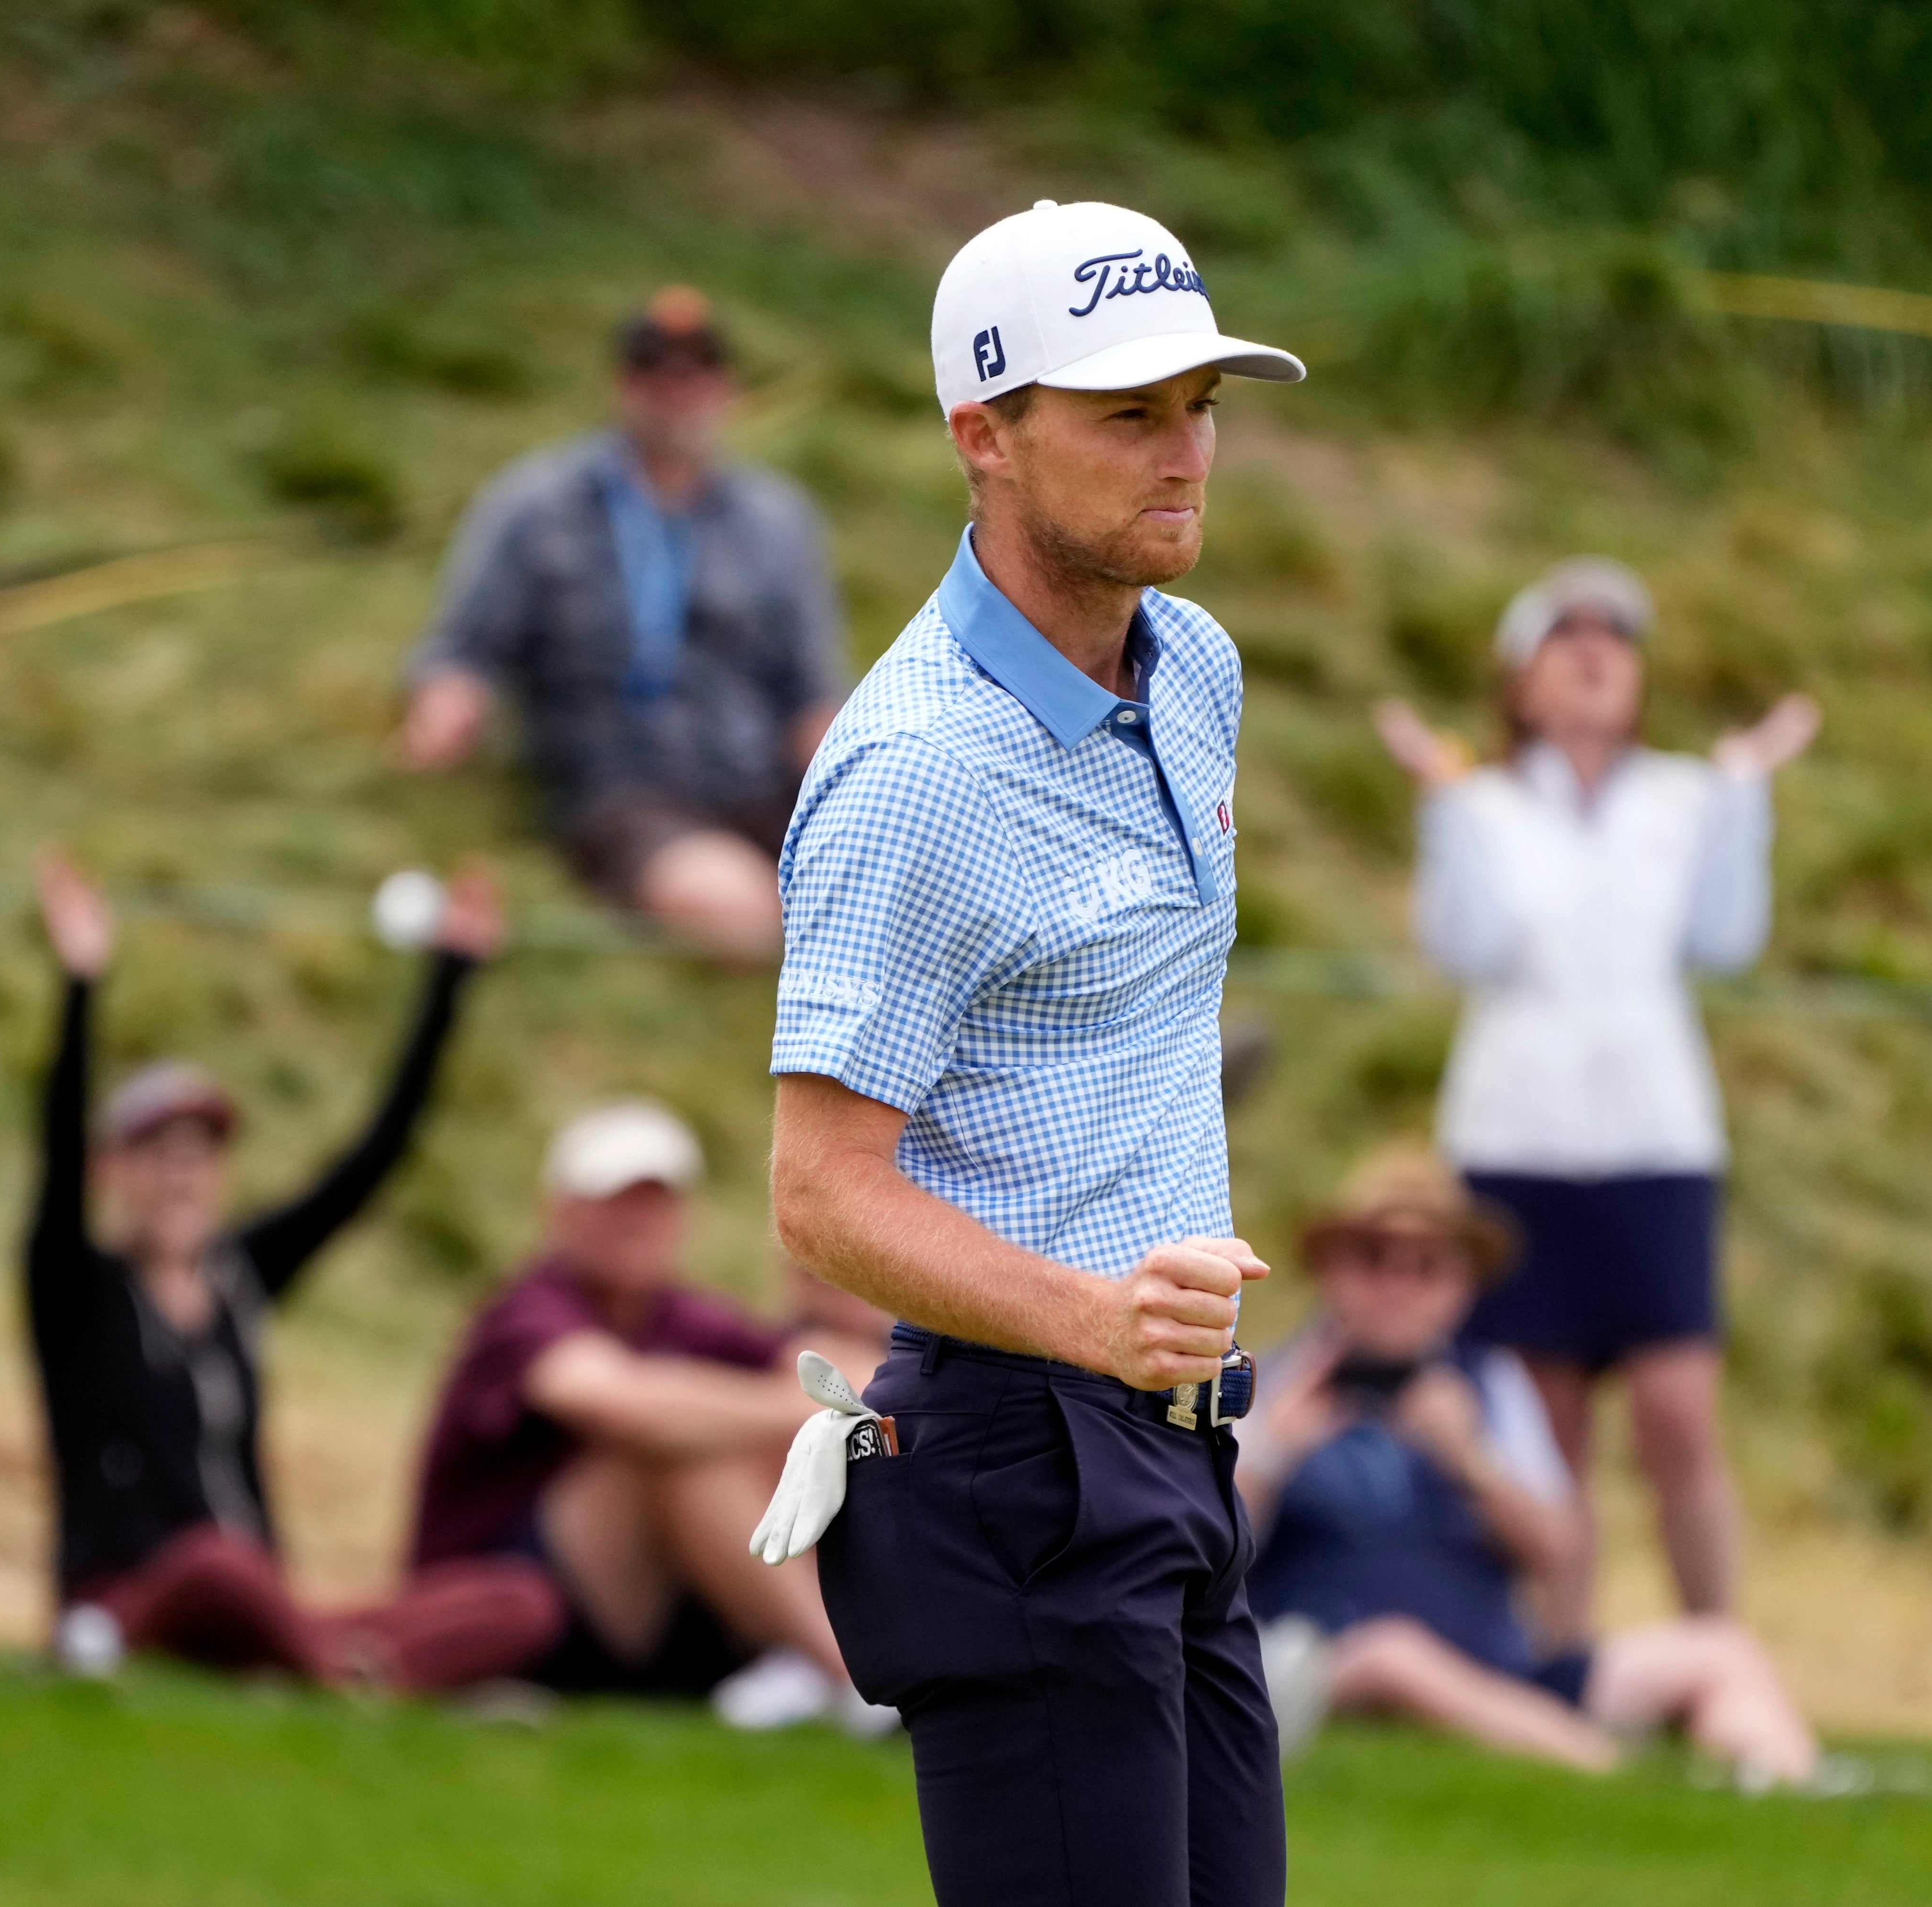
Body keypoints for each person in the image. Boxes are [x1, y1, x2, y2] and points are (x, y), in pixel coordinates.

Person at [764, 198, 1304, 1907]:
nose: (1183, 454)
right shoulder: (913, 770)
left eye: (1199, 406)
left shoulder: (1196, 665)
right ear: (982, 435)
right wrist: (1090, 1317)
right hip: (1016, 1465)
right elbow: (818, 1195)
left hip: (1174, 1446)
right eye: (1126, 413)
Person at [1371, 557, 1818, 1638]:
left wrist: (1747, 796)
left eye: (1613, 637)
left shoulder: (1686, 796)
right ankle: (1566, 1666)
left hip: (1657, 1142)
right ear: (1521, 679)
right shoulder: (1479, 800)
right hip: (1516, 1144)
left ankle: (1718, 1652)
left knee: (1679, 1418)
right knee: (1549, 1423)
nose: (1592, 652)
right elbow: (1469, 945)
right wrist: (1441, 806)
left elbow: (1725, 938)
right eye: (1565, 636)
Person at [27, 852, 558, 1692]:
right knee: (215, 1566)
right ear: (112, 1173)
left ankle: (324, 1668)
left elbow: (371, 1160)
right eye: (157, 1155)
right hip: (132, 1605)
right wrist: (82, 984)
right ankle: (344, 1678)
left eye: (200, 1157)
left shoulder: (240, 1278)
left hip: (265, 1610)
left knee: (521, 1600)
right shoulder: (76, 1292)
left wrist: (450, 978)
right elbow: (53, 1162)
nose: (180, 1176)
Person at [1237, 1148, 1825, 1788]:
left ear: (1462, 1285)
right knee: (1395, 1654)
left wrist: (1471, 1459)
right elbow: (1207, 1549)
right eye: (1374, 1258)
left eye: (1427, 1266)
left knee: (1719, 1650)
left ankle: (1790, 1785)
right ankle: (1619, 1777)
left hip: (1497, 1659)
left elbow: (1557, 1551)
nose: (1398, 1286)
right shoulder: (1268, 1381)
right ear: (1331, 1269)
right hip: (1332, 1657)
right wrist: (1276, 1448)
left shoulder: (1491, 1385)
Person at [399, 286, 847, 960]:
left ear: (726, 388)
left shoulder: (777, 520)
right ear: (622, 384)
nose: (676, 390)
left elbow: (811, 692)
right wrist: (445, 708)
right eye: (655, 371)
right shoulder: (537, 505)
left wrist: (854, 788)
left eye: (696, 372)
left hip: (757, 778)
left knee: (907, 870)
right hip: (622, 790)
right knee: (732, 910)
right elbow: (463, 649)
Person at [406, 1101, 883, 1733]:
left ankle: (835, 1661)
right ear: (559, 1211)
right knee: (682, 1451)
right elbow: (613, 1402)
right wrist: (805, 1406)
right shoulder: (529, 1309)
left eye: (657, 1202)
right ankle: (853, 1680)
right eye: (615, 1200)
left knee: (772, 1436)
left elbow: (844, 1371)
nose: (638, 1220)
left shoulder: (683, 1314)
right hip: (502, 1602)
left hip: (624, 1611)